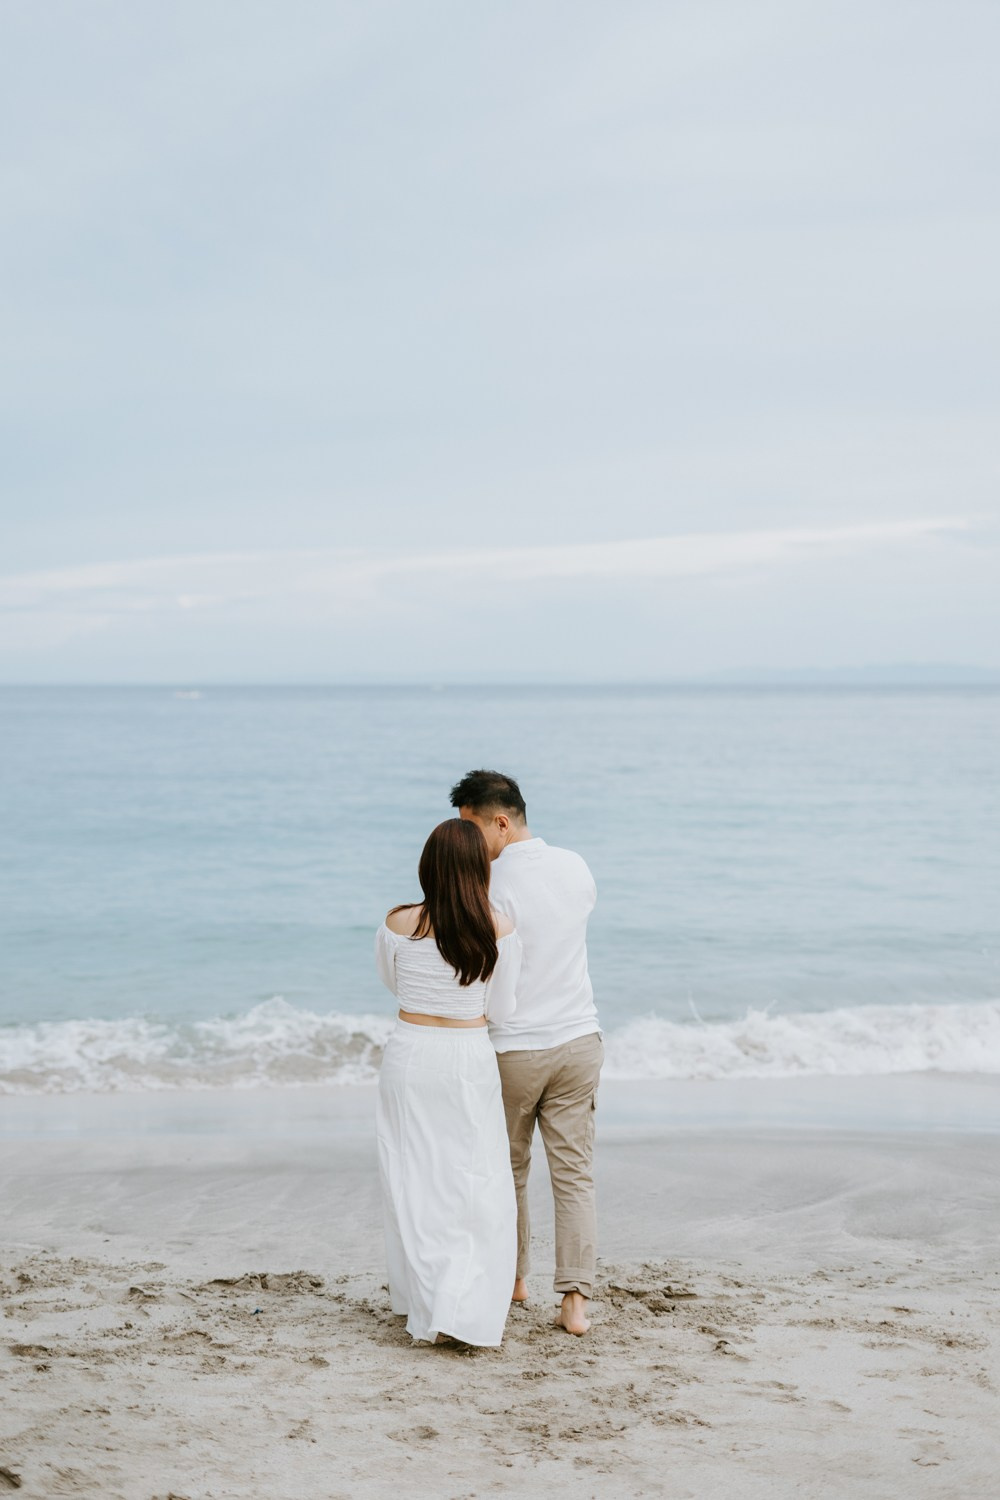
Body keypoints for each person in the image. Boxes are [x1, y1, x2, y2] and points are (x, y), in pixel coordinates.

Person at [450, 769, 602, 1336]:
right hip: (580, 1041)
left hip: (514, 1050)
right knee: (575, 1175)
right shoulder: (577, 866)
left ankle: (514, 1281)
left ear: (501, 822)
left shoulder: (486, 883)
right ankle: (575, 1304)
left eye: (472, 828)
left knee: (507, 1171)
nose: (469, 841)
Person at [374, 817, 521, 1347]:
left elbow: (393, 983)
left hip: (409, 1054)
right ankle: (461, 1305)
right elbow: (502, 1009)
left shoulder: (397, 923)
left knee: (411, 1175)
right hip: (466, 1056)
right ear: (480, 869)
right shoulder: (498, 928)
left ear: (428, 865)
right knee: (472, 1181)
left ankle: (423, 1298)